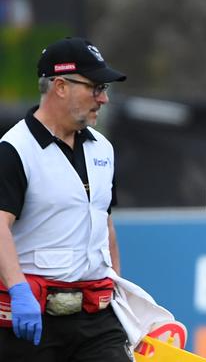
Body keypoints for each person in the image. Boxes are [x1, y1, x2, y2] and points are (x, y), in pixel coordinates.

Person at [0, 37, 130, 360]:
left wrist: (118, 289)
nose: (104, 99)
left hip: (96, 319)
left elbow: (105, 223)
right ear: (60, 86)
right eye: (96, 87)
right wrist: (17, 290)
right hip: (33, 321)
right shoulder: (15, 149)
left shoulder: (103, 148)